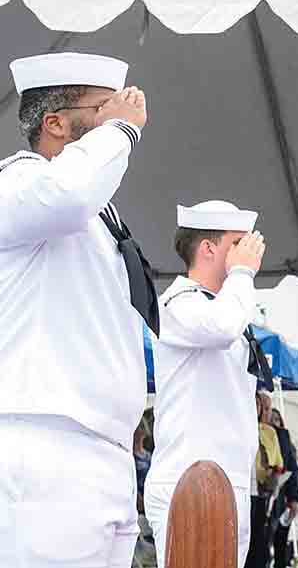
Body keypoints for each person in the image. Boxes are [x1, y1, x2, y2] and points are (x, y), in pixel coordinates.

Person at [0, 53, 157, 567]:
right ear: (56, 124)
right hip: (47, 444)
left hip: (103, 451)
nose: (123, 110)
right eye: (104, 105)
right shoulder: (20, 183)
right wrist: (122, 131)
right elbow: (65, 193)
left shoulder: (97, 216)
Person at [142, 201, 267, 568]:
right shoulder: (178, 304)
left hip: (230, 482)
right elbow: (221, 327)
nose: (246, 252)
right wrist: (243, 274)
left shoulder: (223, 305)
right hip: (189, 483)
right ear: (208, 248)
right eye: (236, 243)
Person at [247, 392, 283, 568]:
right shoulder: (238, 429)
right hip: (242, 491)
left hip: (261, 493)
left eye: (259, 406)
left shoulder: (269, 433)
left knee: (259, 542)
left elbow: (278, 464)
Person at [269, 408, 298, 568]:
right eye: (270, 418)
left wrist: (294, 499)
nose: (273, 423)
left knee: (280, 545)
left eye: (276, 419)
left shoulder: (286, 443)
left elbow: (293, 472)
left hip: (281, 502)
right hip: (264, 499)